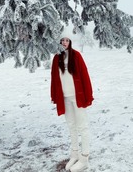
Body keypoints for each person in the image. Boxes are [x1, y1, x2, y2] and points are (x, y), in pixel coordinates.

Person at [51, 36, 94, 171]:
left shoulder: (76, 56)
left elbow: (85, 76)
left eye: (67, 40)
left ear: (70, 42)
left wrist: (88, 95)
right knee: (71, 126)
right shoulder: (57, 58)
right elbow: (54, 79)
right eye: (62, 40)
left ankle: (84, 158)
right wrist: (55, 96)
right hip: (64, 98)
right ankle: (74, 154)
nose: (64, 42)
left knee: (82, 126)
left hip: (77, 97)